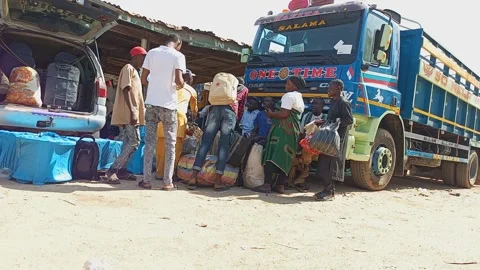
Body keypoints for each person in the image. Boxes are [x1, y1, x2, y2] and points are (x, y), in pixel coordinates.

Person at [140, 33, 186, 190]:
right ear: (178, 43)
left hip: (151, 104)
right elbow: (179, 81)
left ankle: (146, 180)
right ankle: (168, 182)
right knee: (170, 144)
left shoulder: (151, 53)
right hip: (168, 105)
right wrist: (180, 85)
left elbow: (143, 78)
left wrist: (154, 86)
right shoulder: (178, 56)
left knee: (149, 143)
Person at [186, 76, 247, 192]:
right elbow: (241, 107)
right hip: (229, 113)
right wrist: (236, 118)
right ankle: (218, 182)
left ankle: (193, 178)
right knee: (224, 146)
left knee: (205, 143)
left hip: (215, 110)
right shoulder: (244, 89)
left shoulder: (221, 88)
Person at [253, 76, 306, 194]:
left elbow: (284, 114)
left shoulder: (289, 96)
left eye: (288, 84)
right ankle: (280, 185)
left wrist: (271, 114)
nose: (285, 86)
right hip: (293, 131)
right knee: (286, 156)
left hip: (282, 130)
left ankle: (267, 184)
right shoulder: (300, 98)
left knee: (272, 153)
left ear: (295, 86)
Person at [104, 46, 147, 184]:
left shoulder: (136, 71)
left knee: (128, 141)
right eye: (142, 58)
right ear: (136, 57)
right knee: (135, 141)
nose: (143, 61)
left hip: (132, 112)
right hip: (129, 112)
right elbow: (126, 88)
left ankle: (121, 170)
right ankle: (112, 170)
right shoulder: (128, 68)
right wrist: (133, 111)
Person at [314, 79, 353, 201]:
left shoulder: (343, 102)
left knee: (330, 165)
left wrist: (336, 123)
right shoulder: (333, 102)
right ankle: (326, 189)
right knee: (323, 164)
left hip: (336, 139)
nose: (328, 90)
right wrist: (325, 122)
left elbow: (349, 120)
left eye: (331, 88)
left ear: (339, 89)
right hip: (328, 138)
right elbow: (332, 118)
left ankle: (330, 192)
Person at [156, 69, 198, 179]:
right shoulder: (191, 90)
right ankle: (169, 175)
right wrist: (191, 124)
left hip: (164, 116)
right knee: (175, 148)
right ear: (188, 79)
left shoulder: (169, 86)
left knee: (161, 147)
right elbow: (195, 111)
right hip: (179, 118)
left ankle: (159, 173)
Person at [287, 98, 326, 192]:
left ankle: (299, 180)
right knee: (294, 156)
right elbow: (301, 133)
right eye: (312, 103)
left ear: (322, 106)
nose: (313, 105)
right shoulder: (307, 116)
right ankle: (293, 180)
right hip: (305, 144)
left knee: (304, 156)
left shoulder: (325, 118)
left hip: (317, 147)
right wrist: (297, 146)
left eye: (316, 103)